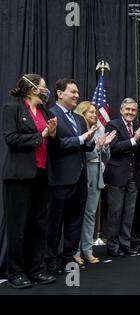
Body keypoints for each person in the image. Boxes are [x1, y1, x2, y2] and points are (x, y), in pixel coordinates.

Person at [2, 74, 57, 288]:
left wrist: (52, 134)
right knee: (18, 226)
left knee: (39, 225)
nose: (46, 91)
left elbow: (52, 140)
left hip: (42, 174)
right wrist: (42, 135)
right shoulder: (13, 108)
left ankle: (36, 270)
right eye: (43, 87)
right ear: (33, 89)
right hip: (19, 176)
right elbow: (11, 139)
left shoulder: (45, 111)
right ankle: (15, 272)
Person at [46, 79, 98, 275]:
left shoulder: (78, 119)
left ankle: (68, 259)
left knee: (74, 223)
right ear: (60, 93)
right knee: (54, 223)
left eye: (77, 92)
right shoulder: (51, 114)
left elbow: (88, 147)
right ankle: (51, 260)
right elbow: (55, 145)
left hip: (79, 180)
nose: (77, 95)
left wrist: (90, 139)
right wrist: (81, 139)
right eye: (73, 92)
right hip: (59, 180)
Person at [103, 98, 140, 257]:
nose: (130, 113)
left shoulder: (137, 126)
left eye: (133, 110)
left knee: (129, 213)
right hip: (117, 176)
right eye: (127, 109)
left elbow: (138, 152)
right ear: (121, 110)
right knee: (115, 212)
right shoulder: (112, 125)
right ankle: (112, 247)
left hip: (134, 176)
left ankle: (125, 245)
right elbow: (114, 148)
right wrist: (134, 139)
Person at [73, 101, 117, 264]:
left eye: (95, 112)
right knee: (78, 215)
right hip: (82, 174)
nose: (94, 115)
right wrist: (97, 149)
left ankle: (87, 250)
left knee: (90, 214)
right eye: (90, 112)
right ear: (82, 113)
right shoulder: (78, 128)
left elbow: (107, 158)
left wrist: (105, 147)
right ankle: (75, 251)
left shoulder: (99, 129)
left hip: (97, 174)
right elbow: (80, 154)